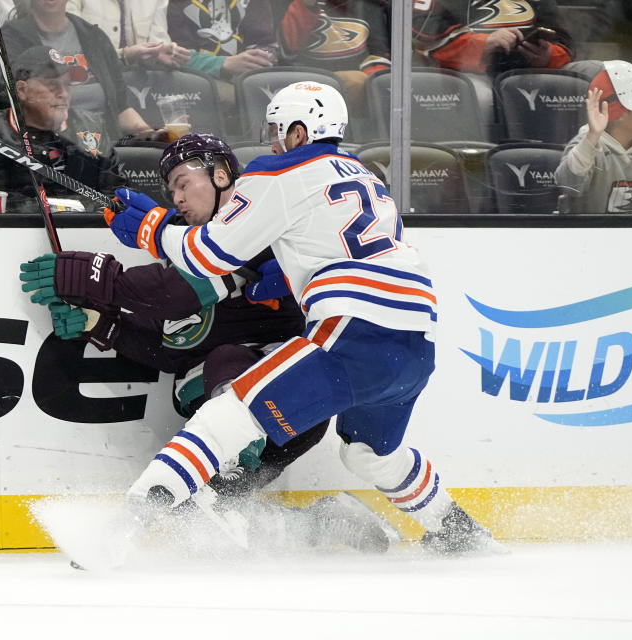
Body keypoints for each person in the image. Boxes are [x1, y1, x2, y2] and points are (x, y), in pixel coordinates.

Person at [104, 81, 497, 556]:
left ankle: (123, 528)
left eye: (276, 130)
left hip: (356, 328)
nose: (270, 143)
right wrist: (285, 277)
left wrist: (152, 227)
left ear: (298, 130)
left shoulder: (280, 169)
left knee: (229, 414)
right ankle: (457, 531)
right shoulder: (366, 174)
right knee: (370, 453)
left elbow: (209, 253)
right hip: (416, 338)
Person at [20, 132, 393, 552]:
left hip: (292, 405)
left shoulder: (253, 230)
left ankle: (231, 465)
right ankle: (325, 525)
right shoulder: (192, 248)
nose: (176, 196)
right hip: (254, 422)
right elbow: (174, 350)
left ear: (219, 176)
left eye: (183, 182)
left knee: (227, 361)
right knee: (198, 509)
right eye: (170, 190)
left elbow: (173, 293)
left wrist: (94, 276)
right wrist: (102, 325)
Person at [0, 45, 126, 211]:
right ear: (22, 90)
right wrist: (39, 208)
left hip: (84, 231)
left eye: (67, 84)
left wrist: (83, 210)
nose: (63, 93)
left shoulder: (92, 128)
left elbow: (118, 193)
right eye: (52, 86)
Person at [0, 0, 163, 142]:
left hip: (106, 145)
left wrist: (151, 134)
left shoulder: (93, 36)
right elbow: (13, 104)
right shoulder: (10, 39)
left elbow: (121, 109)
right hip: (49, 146)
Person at [555, 60, 632, 215]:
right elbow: (569, 185)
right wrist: (592, 138)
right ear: (619, 113)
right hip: (589, 236)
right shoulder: (586, 144)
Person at [410, 0, 573, 76]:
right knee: (482, 96)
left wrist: (548, 56)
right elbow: (423, 41)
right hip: (465, 75)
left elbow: (564, 41)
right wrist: (484, 44)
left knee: (589, 69)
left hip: (531, 72)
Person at [278, 0, 390, 109]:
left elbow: (379, 56)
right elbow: (288, 51)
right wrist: (307, 5)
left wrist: (369, 84)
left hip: (358, 101)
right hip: (308, 84)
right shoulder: (297, 5)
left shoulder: (372, 6)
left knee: (361, 80)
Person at [166, 0, 279, 80]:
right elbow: (169, 55)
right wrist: (223, 64)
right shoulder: (172, 4)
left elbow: (265, 43)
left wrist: (262, 57)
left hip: (244, 80)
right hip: (190, 79)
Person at [65, 0, 190, 68]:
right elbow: (71, 56)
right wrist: (125, 56)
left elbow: (158, 40)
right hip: (91, 85)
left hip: (139, 82)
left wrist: (161, 53)